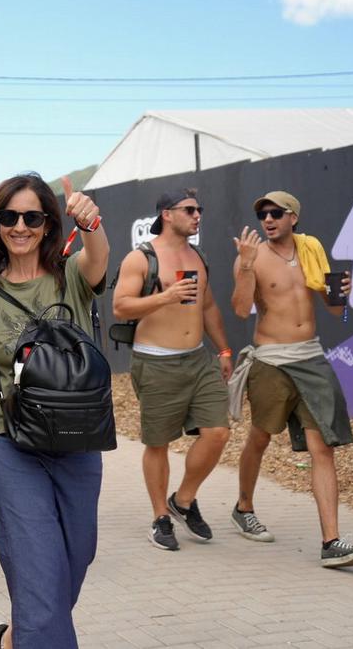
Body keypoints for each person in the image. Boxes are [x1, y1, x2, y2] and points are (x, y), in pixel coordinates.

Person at [0, 173, 109, 649]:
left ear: (48, 225)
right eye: (9, 216)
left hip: (79, 439)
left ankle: (16, 638)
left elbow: (98, 256)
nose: (19, 226)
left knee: (76, 557)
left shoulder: (71, 276)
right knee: (38, 568)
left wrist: (92, 222)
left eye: (32, 217)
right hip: (10, 445)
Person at [229, 191, 353, 568]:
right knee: (260, 438)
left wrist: (341, 297)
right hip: (272, 360)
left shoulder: (312, 250)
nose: (267, 219)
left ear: (293, 217)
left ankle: (331, 541)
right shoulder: (253, 257)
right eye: (263, 214)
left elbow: (333, 309)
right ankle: (243, 506)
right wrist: (246, 267)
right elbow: (239, 310)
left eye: (275, 213)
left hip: (310, 356)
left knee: (322, 448)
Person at [111, 189, 233, 552]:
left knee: (218, 432)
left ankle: (183, 500)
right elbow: (121, 307)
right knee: (158, 443)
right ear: (167, 214)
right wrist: (165, 296)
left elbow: (208, 306)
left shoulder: (197, 255)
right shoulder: (141, 257)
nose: (198, 216)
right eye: (190, 210)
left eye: (200, 210)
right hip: (155, 361)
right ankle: (160, 516)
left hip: (198, 359)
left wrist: (224, 349)